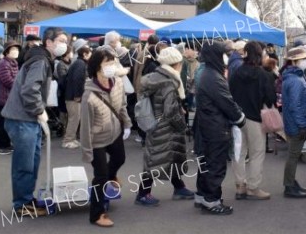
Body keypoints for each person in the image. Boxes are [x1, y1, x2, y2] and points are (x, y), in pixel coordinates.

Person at [2, 27, 67, 215]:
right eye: (61, 40)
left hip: (26, 117)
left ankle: (26, 199)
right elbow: (30, 90)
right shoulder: (40, 60)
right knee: (25, 164)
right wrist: (39, 110)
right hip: (23, 118)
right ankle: (22, 205)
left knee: (31, 162)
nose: (64, 44)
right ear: (49, 42)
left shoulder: (40, 57)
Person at [135, 47, 195, 206]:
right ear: (176, 64)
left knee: (166, 156)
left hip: (155, 123)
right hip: (166, 126)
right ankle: (143, 193)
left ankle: (179, 186)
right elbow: (170, 110)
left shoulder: (155, 76)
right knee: (156, 159)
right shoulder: (169, 81)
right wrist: (182, 125)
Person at [80, 47, 132, 228]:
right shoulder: (89, 96)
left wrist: (127, 123)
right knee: (100, 177)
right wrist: (87, 152)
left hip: (115, 131)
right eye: (107, 63)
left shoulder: (117, 82)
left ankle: (112, 175)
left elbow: (122, 105)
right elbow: (85, 128)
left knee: (120, 158)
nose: (111, 66)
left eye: (113, 62)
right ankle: (97, 214)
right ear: (96, 67)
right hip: (97, 139)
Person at [195, 41, 245, 215]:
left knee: (206, 162)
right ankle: (212, 201)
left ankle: (202, 195)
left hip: (207, 124)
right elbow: (226, 102)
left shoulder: (206, 72)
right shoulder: (214, 77)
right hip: (216, 127)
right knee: (216, 164)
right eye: (224, 53)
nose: (226, 56)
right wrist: (240, 118)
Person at [229, 41, 276, 201]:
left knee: (239, 152)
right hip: (255, 118)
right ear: (259, 54)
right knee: (257, 152)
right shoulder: (263, 74)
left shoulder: (235, 72)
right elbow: (270, 99)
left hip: (237, 117)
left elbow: (230, 93)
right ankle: (253, 187)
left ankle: (239, 185)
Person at [281, 47, 306, 198]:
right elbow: (296, 105)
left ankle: (291, 182)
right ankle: (289, 185)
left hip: (293, 122)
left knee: (293, 155)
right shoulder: (295, 79)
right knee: (293, 155)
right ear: (294, 61)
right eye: (303, 59)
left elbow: (297, 100)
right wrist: (302, 126)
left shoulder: (294, 76)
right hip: (296, 124)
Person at [0, 41, 20, 155]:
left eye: (17, 49)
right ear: (6, 51)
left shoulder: (13, 62)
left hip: (10, 98)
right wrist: (20, 83)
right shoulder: (3, 63)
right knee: (2, 124)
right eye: (13, 49)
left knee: (8, 123)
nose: (16, 51)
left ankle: (6, 144)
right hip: (3, 98)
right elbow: (7, 81)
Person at [62, 39, 91, 148]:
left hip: (71, 95)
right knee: (74, 118)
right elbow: (77, 80)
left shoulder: (78, 62)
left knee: (75, 118)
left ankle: (71, 138)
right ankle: (68, 140)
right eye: (89, 53)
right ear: (84, 54)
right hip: (73, 97)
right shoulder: (80, 63)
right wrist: (78, 95)